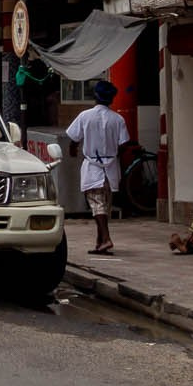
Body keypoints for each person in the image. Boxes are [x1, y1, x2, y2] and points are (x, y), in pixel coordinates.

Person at [66, 79, 132, 256]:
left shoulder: (85, 116)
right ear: (111, 99)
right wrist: (114, 153)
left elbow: (73, 139)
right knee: (104, 206)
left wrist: (73, 150)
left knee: (97, 206)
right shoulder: (117, 119)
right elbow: (124, 143)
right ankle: (100, 241)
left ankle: (107, 238)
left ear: (95, 97)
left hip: (92, 166)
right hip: (110, 167)